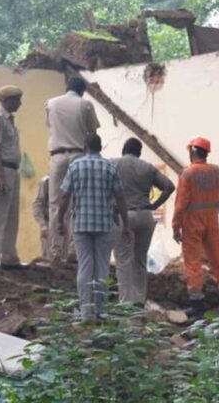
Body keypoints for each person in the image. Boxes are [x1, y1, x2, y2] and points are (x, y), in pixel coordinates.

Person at [58, 133, 129, 322]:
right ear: (100, 147)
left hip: (81, 224)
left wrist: (59, 220)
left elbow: (64, 196)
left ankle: (85, 311)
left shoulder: (75, 166)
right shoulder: (110, 167)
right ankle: (101, 310)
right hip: (104, 224)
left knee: (85, 266)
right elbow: (120, 197)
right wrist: (126, 223)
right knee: (102, 266)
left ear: (84, 147)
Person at [173, 137, 219, 318]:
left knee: (193, 262)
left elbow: (180, 204)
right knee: (218, 259)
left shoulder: (187, 173)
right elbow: (217, 192)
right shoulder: (216, 171)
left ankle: (197, 305)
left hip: (192, 222)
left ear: (192, 152)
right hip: (211, 220)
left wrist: (176, 227)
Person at [112, 138, 175, 306]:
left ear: (124, 150)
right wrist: (155, 205)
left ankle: (126, 303)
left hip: (123, 216)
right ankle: (139, 300)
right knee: (140, 259)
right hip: (145, 216)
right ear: (139, 153)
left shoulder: (113, 164)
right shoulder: (147, 167)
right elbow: (169, 186)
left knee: (123, 260)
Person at [46, 76, 101, 264]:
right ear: (82, 91)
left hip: (57, 156)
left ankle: (54, 250)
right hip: (79, 156)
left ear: (66, 87)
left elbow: (51, 126)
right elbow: (92, 134)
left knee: (55, 204)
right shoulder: (85, 105)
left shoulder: (50, 103)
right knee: (77, 204)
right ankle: (72, 250)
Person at [0, 85, 24, 269]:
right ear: (6, 100)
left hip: (13, 170)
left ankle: (8, 255)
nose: (20, 103)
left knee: (11, 216)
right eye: (17, 100)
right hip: (3, 170)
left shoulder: (10, 121)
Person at [32, 177, 50, 258]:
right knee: (49, 259)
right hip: (49, 226)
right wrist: (43, 224)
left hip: (67, 227)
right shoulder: (46, 181)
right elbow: (38, 205)